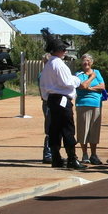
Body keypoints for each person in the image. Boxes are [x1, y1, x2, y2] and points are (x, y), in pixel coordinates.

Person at [38, 30, 81, 169]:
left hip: (51, 100)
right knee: (67, 128)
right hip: (62, 99)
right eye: (63, 49)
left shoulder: (48, 66)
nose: (65, 51)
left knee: (54, 129)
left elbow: (43, 86)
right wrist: (77, 80)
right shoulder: (59, 65)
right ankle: (72, 159)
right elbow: (67, 82)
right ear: (58, 50)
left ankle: (56, 157)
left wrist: (47, 98)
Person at [74, 54, 106, 166]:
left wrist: (90, 88)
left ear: (91, 62)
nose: (86, 63)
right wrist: (92, 77)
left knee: (94, 130)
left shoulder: (98, 72)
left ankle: (93, 154)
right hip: (82, 104)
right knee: (83, 129)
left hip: (96, 104)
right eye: (84, 61)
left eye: (88, 61)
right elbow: (82, 86)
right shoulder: (79, 74)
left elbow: (102, 86)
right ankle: (85, 154)